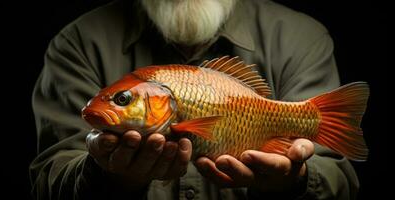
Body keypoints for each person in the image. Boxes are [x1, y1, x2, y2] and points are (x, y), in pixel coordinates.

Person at [30, 0, 361, 199]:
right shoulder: (77, 43)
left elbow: (341, 183)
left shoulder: (301, 37)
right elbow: (47, 184)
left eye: (124, 100)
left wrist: (294, 181)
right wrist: (108, 177)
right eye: (123, 100)